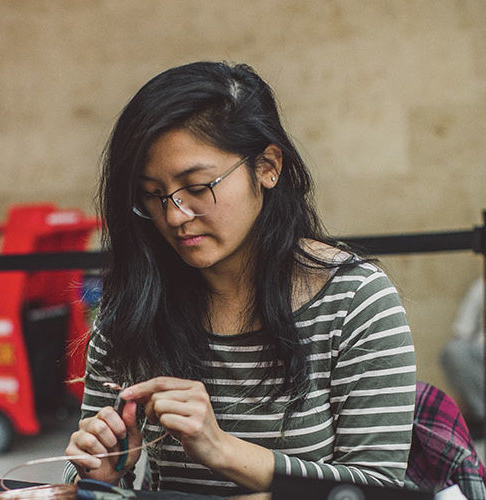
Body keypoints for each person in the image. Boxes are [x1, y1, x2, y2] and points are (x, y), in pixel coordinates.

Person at [63, 61, 416, 496]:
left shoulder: (353, 301)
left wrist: (221, 450)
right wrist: (100, 473)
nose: (175, 216)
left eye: (198, 186)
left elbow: (380, 489)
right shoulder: (137, 303)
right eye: (153, 195)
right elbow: (92, 473)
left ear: (268, 166)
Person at [440, 278, 485, 427]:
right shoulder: (481, 286)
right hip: (480, 358)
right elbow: (461, 332)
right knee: (453, 351)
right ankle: (479, 416)